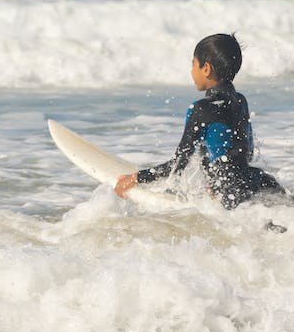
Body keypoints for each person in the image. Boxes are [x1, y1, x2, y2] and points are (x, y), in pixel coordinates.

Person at [115, 33, 283, 209]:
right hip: (258, 181)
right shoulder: (240, 100)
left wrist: (136, 178)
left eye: (193, 64)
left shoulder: (201, 109)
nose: (191, 71)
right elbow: (244, 153)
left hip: (230, 194)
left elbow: (177, 166)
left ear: (206, 69)